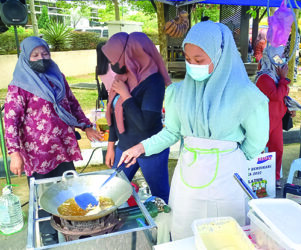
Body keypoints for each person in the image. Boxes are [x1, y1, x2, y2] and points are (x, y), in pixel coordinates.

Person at [117, 21, 269, 240]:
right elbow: (172, 132)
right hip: (188, 176)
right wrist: (141, 147)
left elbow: (256, 141)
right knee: (185, 231)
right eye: (188, 60)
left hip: (228, 178)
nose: (192, 66)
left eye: (199, 60)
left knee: (226, 236)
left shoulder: (246, 95)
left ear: (220, 55)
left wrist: (232, 157)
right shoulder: (178, 93)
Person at [4, 36, 103, 182]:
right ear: (25, 57)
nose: (41, 58)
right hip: (38, 153)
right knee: (44, 195)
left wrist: (86, 126)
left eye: (45, 54)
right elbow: (11, 122)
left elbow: (72, 104)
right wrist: (14, 154)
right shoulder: (19, 86)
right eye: (35, 55)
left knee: (69, 189)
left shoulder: (57, 77)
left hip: (63, 147)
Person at [101, 32, 172, 203]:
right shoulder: (122, 75)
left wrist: (126, 96)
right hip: (124, 147)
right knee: (112, 193)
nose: (112, 65)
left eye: (113, 60)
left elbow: (145, 125)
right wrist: (111, 146)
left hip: (150, 149)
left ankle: (165, 229)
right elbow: (113, 114)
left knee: (160, 197)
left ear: (129, 55)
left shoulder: (153, 81)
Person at [255, 48, 293, 189]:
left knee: (277, 149)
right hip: (264, 120)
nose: (281, 60)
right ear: (270, 58)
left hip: (276, 119)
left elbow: (281, 97)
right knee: (258, 149)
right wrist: (283, 79)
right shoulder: (264, 77)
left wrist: (289, 107)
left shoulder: (276, 77)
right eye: (278, 57)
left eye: (282, 57)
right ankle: (258, 178)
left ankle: (274, 178)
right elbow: (276, 95)